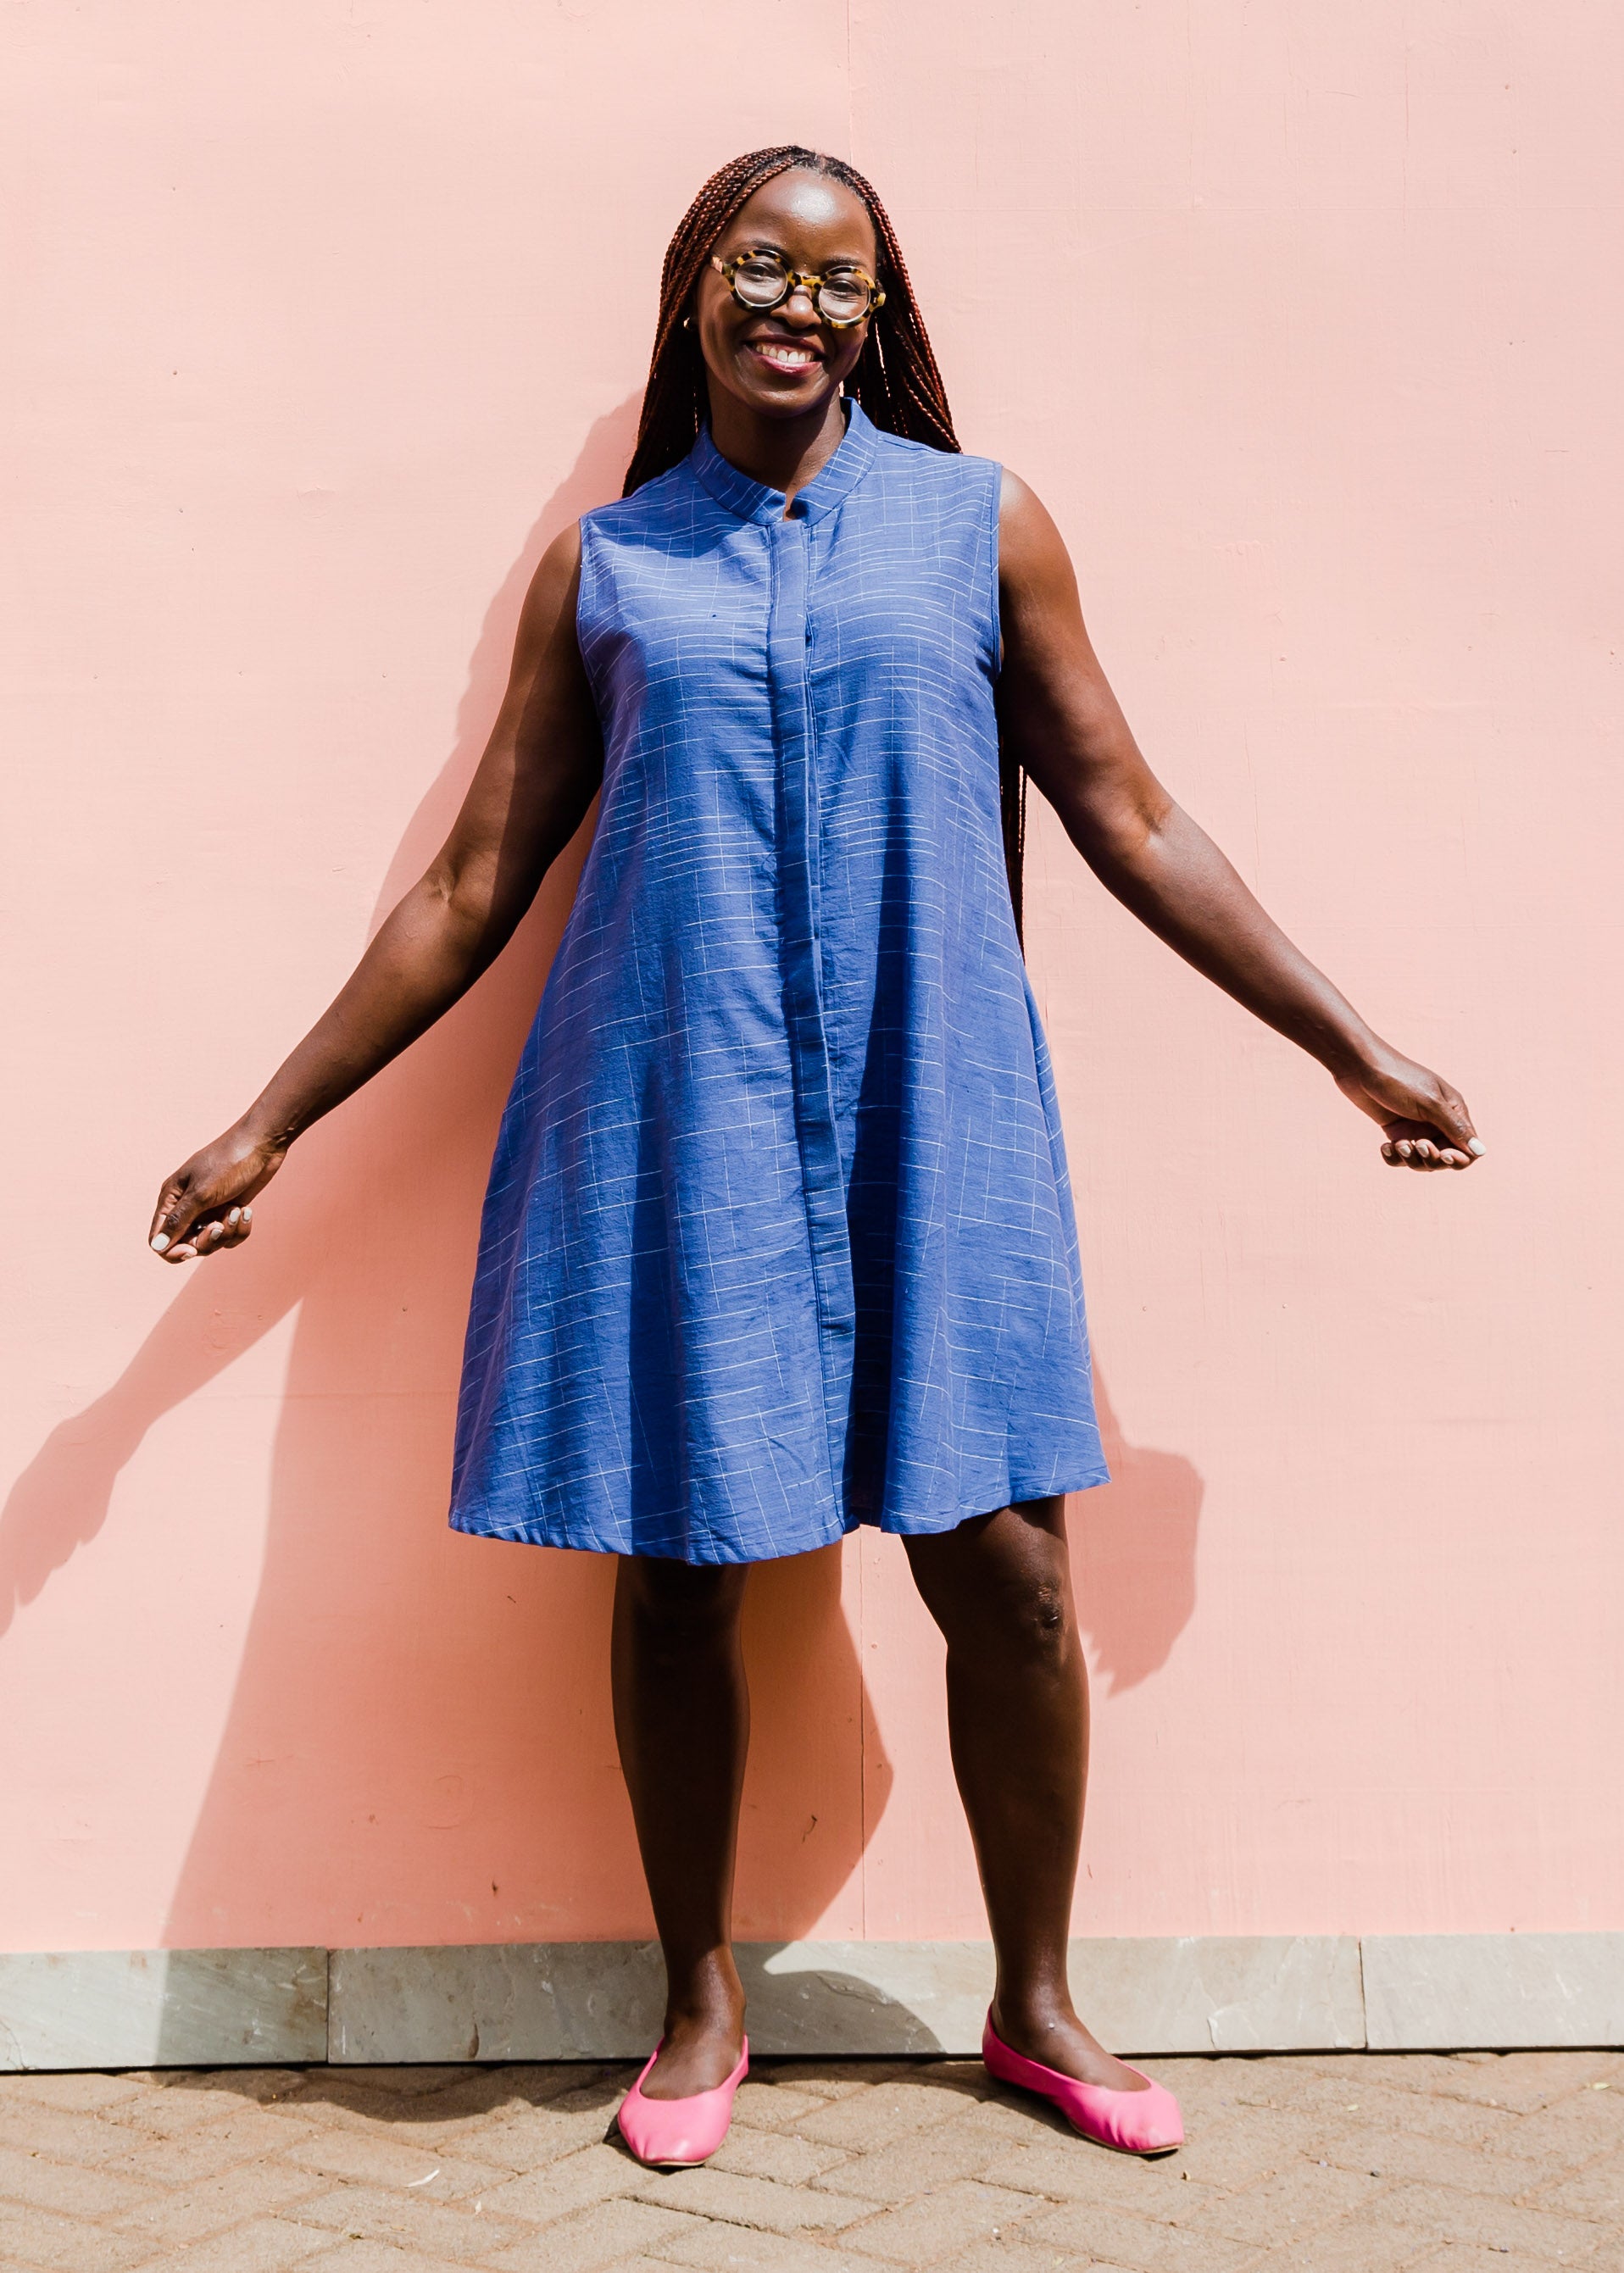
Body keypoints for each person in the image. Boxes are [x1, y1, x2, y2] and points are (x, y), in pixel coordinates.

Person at [149, 145, 1483, 2166]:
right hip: (671, 1110)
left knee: (1012, 1578)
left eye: (836, 280)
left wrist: (1352, 1047)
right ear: (695, 288)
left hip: (929, 1114)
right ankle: (698, 2006)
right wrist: (266, 1119)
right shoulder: (611, 567)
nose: (796, 303)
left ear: (880, 311)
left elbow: (1131, 814)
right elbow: (471, 885)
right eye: (758, 266)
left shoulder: (978, 529)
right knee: (684, 1574)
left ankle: (1034, 2003)